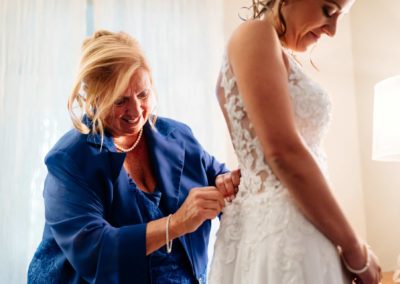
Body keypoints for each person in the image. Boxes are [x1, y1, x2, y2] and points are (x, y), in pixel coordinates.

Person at [27, 30, 240, 284]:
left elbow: (215, 173)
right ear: (94, 98)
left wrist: (225, 180)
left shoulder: (178, 135)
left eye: (143, 95)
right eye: (120, 101)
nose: (136, 111)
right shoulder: (69, 161)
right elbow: (95, 250)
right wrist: (177, 223)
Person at [208, 0, 382, 283]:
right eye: (328, 10)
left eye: (340, 16)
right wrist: (356, 251)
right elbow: (284, 153)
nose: (333, 30)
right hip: (284, 230)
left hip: (291, 225)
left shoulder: (268, 47)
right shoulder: (254, 34)